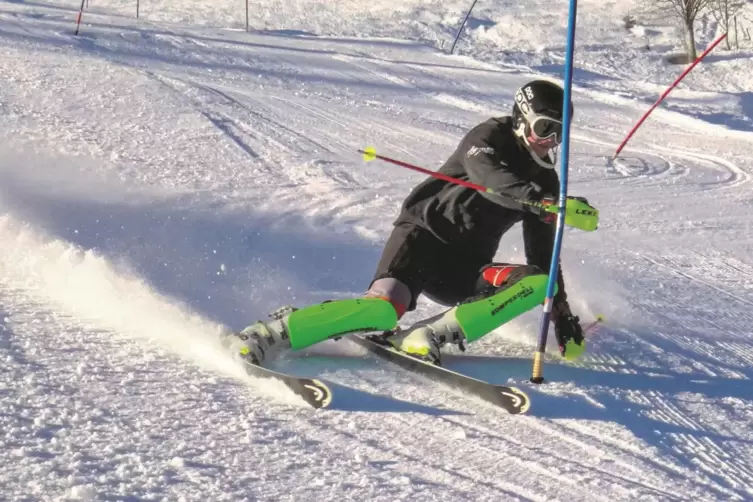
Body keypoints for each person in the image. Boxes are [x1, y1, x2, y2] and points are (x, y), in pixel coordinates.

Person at [224, 79, 597, 367]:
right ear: (521, 119)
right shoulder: (487, 138)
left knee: (537, 280)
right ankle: (271, 333)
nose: (550, 141)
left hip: (465, 268)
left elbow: (544, 253)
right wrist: (544, 201)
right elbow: (490, 181)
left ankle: (428, 336)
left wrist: (562, 312)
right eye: (545, 127)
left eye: (559, 134)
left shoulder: (548, 181)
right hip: (421, 238)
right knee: (383, 309)